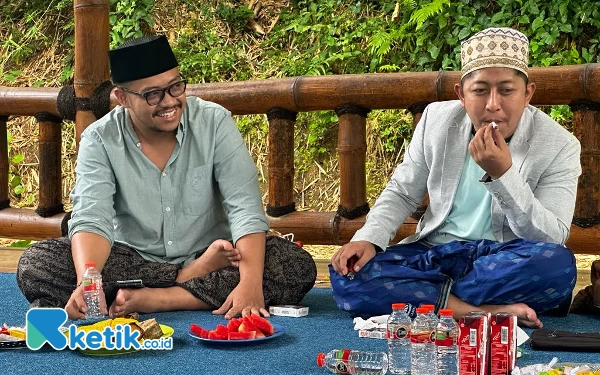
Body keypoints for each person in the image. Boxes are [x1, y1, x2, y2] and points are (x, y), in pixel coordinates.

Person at [17, 35, 316, 320]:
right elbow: (92, 219)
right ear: (122, 97)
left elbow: (245, 208)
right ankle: (186, 280)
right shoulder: (100, 138)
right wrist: (87, 282)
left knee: (294, 266)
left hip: (215, 254)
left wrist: (250, 285)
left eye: (176, 87)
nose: (170, 102)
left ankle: (161, 298)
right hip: (132, 257)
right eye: (152, 94)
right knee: (36, 264)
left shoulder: (214, 121)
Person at [329, 27, 581, 328]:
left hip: (501, 257)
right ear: (461, 94)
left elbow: (552, 237)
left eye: (506, 90)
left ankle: (429, 299)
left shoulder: (560, 145)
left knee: (558, 265)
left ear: (528, 94)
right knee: (348, 274)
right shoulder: (436, 120)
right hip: (434, 252)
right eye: (480, 90)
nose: (492, 104)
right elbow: (402, 192)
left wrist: (504, 174)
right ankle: (482, 312)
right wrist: (368, 238)